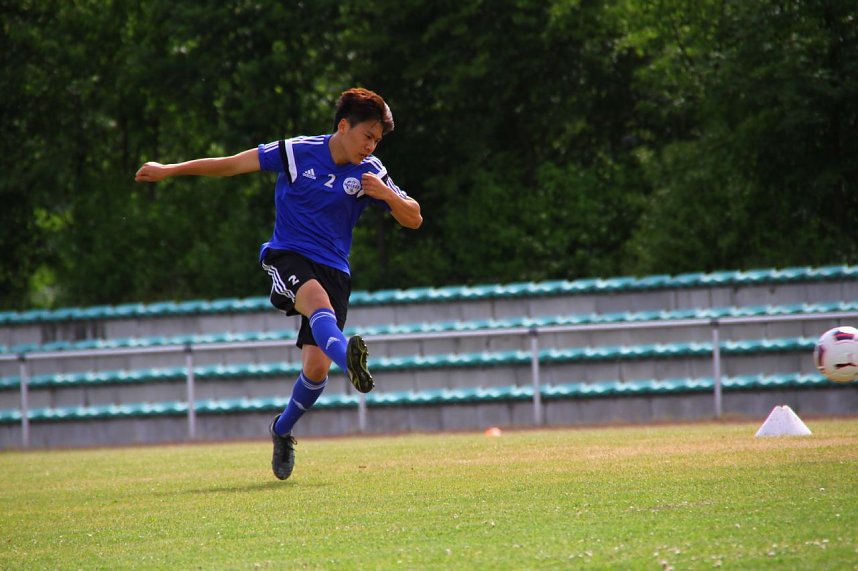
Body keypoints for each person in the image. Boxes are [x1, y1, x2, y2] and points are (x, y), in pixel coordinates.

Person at [135, 88, 422, 480]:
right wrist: (170, 169)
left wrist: (386, 194)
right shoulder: (296, 151)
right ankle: (351, 364)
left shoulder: (372, 171)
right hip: (288, 256)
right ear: (343, 126)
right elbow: (230, 165)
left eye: (377, 140)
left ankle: (282, 429)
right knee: (317, 304)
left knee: (315, 369)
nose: (371, 146)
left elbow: (414, 218)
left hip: (336, 269)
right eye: (367, 136)